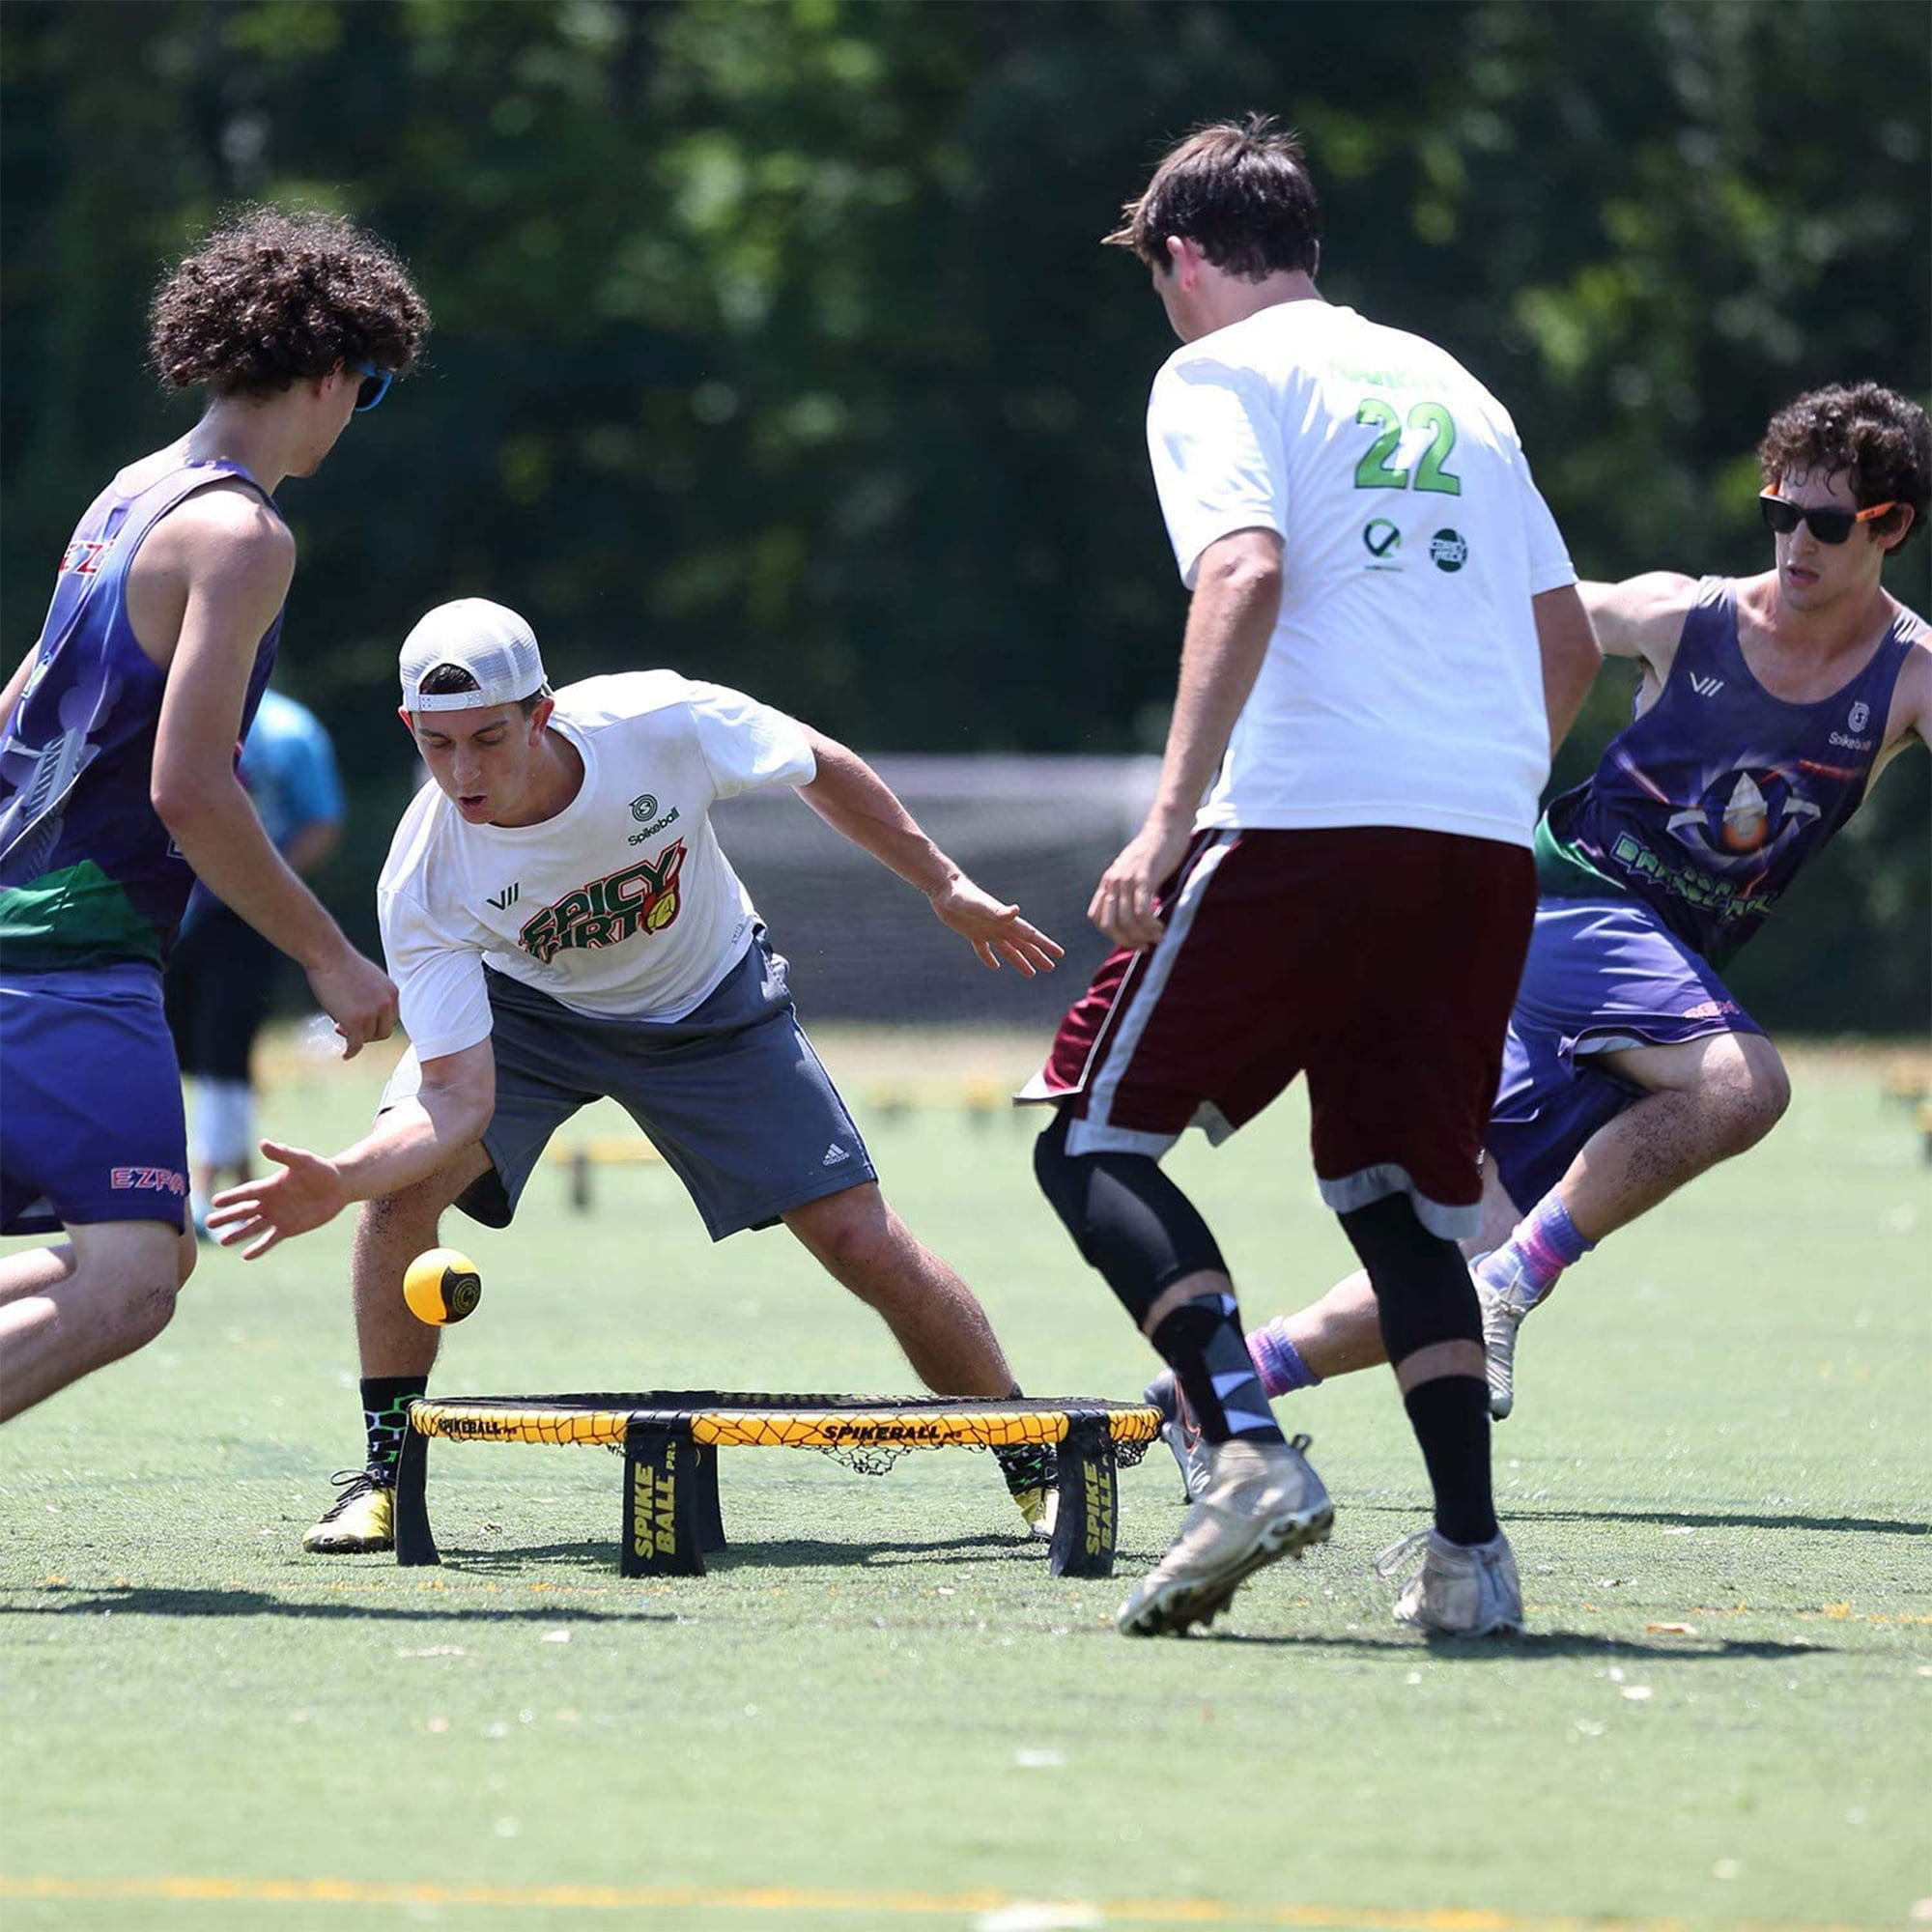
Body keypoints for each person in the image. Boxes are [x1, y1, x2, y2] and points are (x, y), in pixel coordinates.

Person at [1021, 117, 1600, 1639]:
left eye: (1156, 272)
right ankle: (1471, 1563)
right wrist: (1475, 785)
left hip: (1306, 821)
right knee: (1407, 1201)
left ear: (1185, 254)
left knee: (1089, 1142)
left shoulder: (1214, 372)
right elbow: (1568, 643)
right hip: (1477, 843)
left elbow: (1245, 567)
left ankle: (1247, 1447)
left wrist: (1165, 820)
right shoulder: (1456, 387)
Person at [1146, 380, 1931, 1488]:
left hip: (1647, 976)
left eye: (1826, 522)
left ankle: (1213, 1388)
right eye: (1776, 511)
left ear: (1890, 525)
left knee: (1449, 1263)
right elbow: (1522, 613)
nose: (1792, 542)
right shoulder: (1685, 615)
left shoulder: (1907, 676)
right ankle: (1522, 1281)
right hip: (1560, 906)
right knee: (1744, 1084)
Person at [203, 599, 1067, 1554]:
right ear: (410, 728)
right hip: (529, 1015)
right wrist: (346, 1175)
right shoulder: (425, 872)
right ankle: (383, 1477)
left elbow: (816, 761)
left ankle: (1031, 1467)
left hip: (709, 1001)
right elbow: (453, 1096)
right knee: (399, 1198)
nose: (465, 772)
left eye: (489, 738)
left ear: (543, 711)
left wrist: (943, 882)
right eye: (439, 744)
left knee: (859, 1237)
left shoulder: (655, 722)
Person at [0, 209, 428, 1421]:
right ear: (331, 373)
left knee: (145, 1249)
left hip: (19, 936)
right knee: (134, 1281)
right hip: (71, 960)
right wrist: (334, 959)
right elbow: (189, 789)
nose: (359, 412)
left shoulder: (128, 492)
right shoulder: (242, 533)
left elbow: (19, 706)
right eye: (371, 389)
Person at [165, 686, 347, 1234]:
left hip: (246, 917)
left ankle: (203, 1191)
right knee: (178, 1047)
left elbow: (322, 820)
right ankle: (232, 1174)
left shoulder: (291, 729)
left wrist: (260, 881)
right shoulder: (173, 706)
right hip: (170, 907)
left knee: (225, 1044)